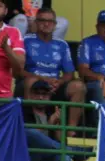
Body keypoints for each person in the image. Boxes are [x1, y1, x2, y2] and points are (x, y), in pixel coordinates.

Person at [22, 6, 84, 135]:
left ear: (55, 24)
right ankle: (31, 127)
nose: (46, 24)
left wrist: (59, 82)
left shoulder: (62, 44)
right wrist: (43, 79)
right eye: (42, 20)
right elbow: (17, 71)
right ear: (36, 23)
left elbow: (69, 73)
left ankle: (71, 131)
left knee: (78, 86)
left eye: (50, 21)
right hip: (33, 84)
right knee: (30, 81)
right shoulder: (26, 40)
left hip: (54, 86)